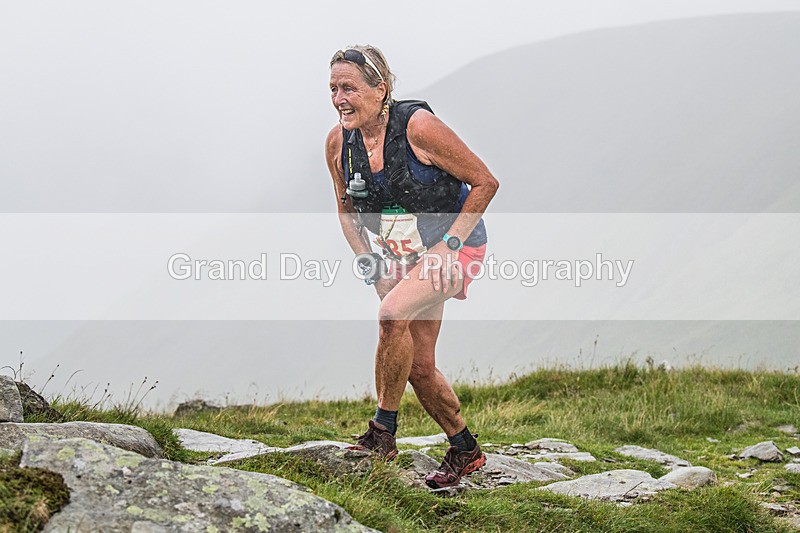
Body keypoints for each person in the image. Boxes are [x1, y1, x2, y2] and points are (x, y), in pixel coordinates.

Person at [324, 45, 499, 489]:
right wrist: (370, 260)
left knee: (391, 315)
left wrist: (448, 246)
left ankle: (382, 432)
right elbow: (346, 212)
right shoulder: (338, 143)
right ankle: (466, 450)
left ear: (380, 88)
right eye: (332, 89)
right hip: (401, 256)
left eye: (349, 88)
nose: (339, 98)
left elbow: (485, 182)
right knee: (419, 367)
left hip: (454, 249)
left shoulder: (419, 127)